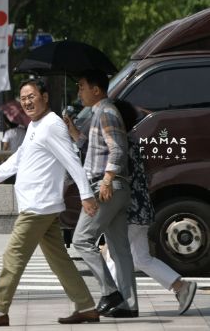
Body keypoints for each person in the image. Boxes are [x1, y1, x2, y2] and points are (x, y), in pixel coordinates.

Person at [0, 79, 100, 327]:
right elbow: (20, 158)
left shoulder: (52, 125)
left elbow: (72, 159)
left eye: (32, 96)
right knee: (59, 260)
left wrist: (86, 194)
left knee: (13, 256)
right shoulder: (35, 125)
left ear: (45, 97)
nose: (27, 102)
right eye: (23, 98)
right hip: (41, 205)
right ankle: (86, 306)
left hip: (38, 206)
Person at [102, 102, 197, 315]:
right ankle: (181, 287)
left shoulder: (119, 145)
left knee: (116, 256)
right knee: (140, 258)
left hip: (128, 211)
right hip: (141, 209)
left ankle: (118, 301)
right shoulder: (130, 140)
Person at [71, 69, 138, 318]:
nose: (79, 92)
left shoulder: (107, 112)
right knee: (119, 249)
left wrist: (107, 181)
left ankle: (110, 293)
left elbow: (118, 149)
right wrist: (72, 130)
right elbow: (92, 148)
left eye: (82, 86)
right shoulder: (99, 112)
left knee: (81, 239)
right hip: (113, 188)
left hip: (106, 187)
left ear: (96, 90)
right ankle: (128, 305)